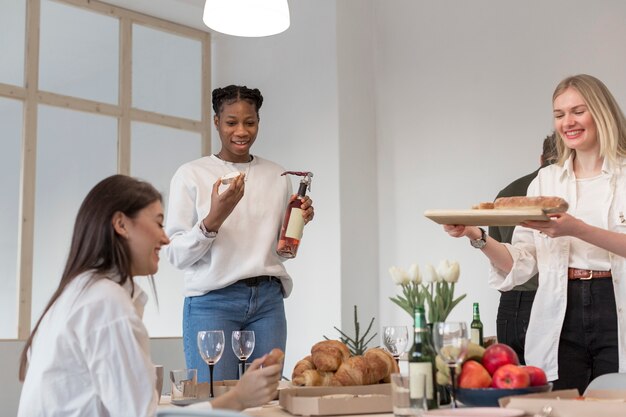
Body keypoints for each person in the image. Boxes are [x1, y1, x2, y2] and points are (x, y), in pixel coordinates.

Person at [17, 175, 282, 417]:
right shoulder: (106, 303)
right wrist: (238, 399)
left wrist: (238, 399)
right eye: (158, 223)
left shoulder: (80, 292)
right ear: (121, 224)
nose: (165, 239)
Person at [444, 74, 626, 393]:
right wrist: (478, 236)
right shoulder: (545, 182)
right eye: (559, 115)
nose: (567, 122)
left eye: (578, 111)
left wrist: (575, 229)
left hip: (614, 304)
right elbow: (523, 263)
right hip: (561, 308)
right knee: (559, 404)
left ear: (601, 112)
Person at [164, 85, 315, 382]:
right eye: (231, 122)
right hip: (212, 301)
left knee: (266, 400)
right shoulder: (191, 174)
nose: (241, 131)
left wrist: (297, 224)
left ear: (259, 122)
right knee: (215, 399)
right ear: (216, 121)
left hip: (268, 300)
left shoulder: (277, 175)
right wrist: (212, 221)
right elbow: (176, 255)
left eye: (250, 122)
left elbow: (281, 250)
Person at [488, 133, 557, 364]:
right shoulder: (563, 192)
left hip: (510, 301)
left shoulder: (506, 194)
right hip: (550, 299)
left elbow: (495, 247)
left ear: (541, 158)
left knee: (511, 381)